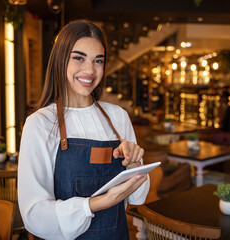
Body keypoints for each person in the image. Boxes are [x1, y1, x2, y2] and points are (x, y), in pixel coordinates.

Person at [18, 20, 150, 240]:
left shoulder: (118, 117)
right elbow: (34, 215)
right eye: (78, 58)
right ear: (60, 61)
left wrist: (136, 165)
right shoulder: (41, 123)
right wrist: (99, 203)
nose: (90, 70)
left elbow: (137, 199)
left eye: (98, 61)